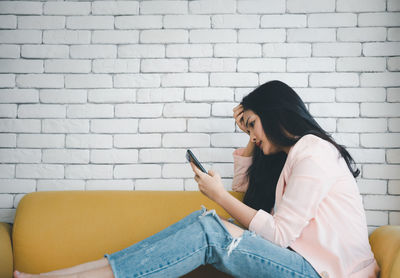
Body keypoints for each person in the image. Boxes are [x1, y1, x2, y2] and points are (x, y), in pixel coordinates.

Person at [14, 80, 379, 278]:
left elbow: (278, 234)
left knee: (209, 230)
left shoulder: (313, 153)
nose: (251, 135)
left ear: (276, 114)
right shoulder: (293, 156)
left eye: (252, 124)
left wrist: (218, 195)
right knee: (205, 224)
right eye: (246, 127)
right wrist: (247, 137)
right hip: (305, 263)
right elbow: (250, 200)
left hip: (323, 272)